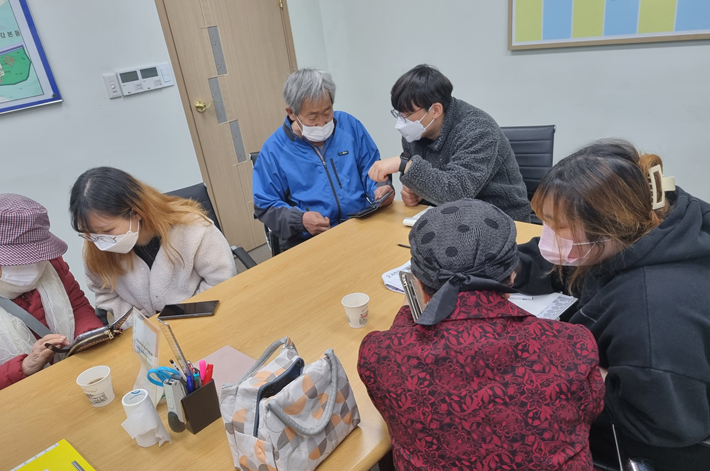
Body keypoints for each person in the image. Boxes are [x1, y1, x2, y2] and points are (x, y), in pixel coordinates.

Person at [359, 199, 621, 471]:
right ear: (512, 274)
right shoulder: (572, 345)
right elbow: (589, 411)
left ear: (418, 283)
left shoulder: (381, 354)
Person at [514, 140, 710, 471]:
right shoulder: (652, 223)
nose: (549, 236)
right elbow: (565, 263)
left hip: (668, 437)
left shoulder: (651, 314)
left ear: (606, 229)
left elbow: (667, 424)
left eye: (557, 226)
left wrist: (581, 370)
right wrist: (504, 267)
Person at [69, 167, 237, 328]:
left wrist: (179, 317)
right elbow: (106, 295)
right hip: (143, 333)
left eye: (107, 230)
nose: (100, 241)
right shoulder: (94, 244)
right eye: (91, 233)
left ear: (136, 212)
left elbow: (222, 280)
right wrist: (141, 326)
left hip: (200, 319)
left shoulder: (193, 228)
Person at [253, 68, 394, 250]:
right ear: (292, 112)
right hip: (311, 240)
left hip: (360, 225)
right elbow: (265, 205)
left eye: (327, 113)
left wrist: (380, 188)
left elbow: (372, 167)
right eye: (312, 117)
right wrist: (300, 220)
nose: (322, 123)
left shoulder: (349, 126)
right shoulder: (274, 149)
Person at [368, 64, 530, 222]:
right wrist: (418, 193)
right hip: (448, 216)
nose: (402, 121)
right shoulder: (415, 131)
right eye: (399, 113)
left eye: (408, 114)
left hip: (502, 217)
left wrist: (404, 164)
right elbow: (428, 181)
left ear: (435, 110)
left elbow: (457, 192)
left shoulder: (479, 129)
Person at [0, 194, 103, 390]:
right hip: (21, 394)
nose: (33, 264)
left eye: (37, 255)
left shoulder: (52, 262)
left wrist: (87, 337)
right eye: (20, 258)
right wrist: (24, 366)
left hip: (75, 372)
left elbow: (77, 305)